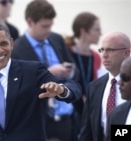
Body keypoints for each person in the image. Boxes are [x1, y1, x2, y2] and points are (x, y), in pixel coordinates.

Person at [0, 23, 81, 141]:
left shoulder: (32, 71)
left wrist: (61, 90)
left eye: (4, 43)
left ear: (11, 43)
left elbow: (73, 87)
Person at [11, 1, 75, 140]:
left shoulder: (56, 39)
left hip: (65, 118)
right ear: (30, 22)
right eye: (44, 26)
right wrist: (48, 72)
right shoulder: (16, 49)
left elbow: (74, 70)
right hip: (39, 121)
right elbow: (17, 87)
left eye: (50, 25)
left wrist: (69, 71)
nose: (48, 30)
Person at [79, 32, 131, 141]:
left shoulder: (128, 88)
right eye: (102, 50)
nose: (104, 55)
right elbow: (86, 130)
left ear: (127, 52)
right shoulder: (94, 87)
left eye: (110, 50)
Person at [65, 12, 102, 140]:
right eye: (96, 29)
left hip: (88, 111)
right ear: (83, 31)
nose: (100, 33)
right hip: (70, 109)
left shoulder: (96, 57)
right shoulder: (67, 51)